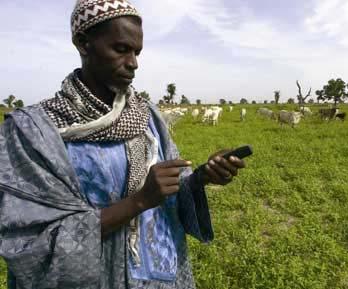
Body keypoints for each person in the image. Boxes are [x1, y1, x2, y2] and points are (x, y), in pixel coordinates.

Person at [0, 1, 246, 288]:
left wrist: (201, 177)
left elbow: (171, 188)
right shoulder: (33, 130)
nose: (133, 62)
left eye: (137, 52)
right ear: (83, 43)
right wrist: (139, 201)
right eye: (120, 49)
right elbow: (31, 239)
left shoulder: (147, 116)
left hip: (162, 277)